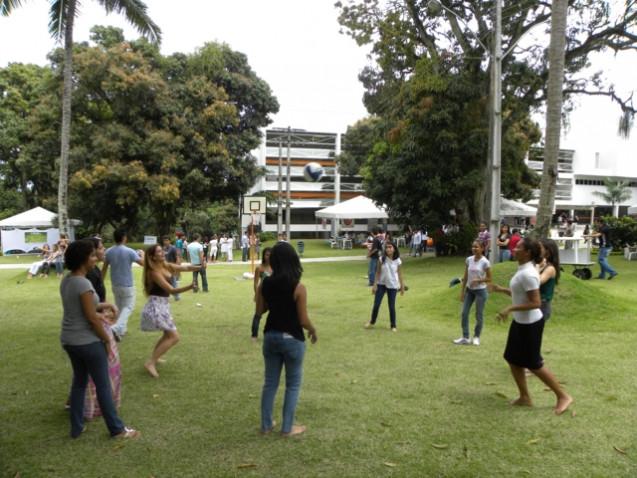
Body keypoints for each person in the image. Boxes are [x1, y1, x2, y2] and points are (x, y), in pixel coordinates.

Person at [60, 239, 139, 439]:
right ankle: (117, 429)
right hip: (87, 341)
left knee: (79, 382)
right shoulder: (83, 283)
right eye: (93, 256)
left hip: (69, 340)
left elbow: (82, 309)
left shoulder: (67, 280)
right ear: (83, 259)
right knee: (103, 385)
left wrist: (104, 308)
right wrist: (106, 339)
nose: (96, 259)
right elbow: (92, 319)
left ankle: (76, 428)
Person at [489, 237, 573, 415]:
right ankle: (525, 397)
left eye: (518, 247)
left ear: (527, 253)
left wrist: (510, 308)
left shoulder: (528, 273)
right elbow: (521, 294)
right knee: (512, 358)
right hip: (520, 322)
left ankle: (563, 396)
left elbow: (535, 302)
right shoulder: (525, 269)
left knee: (534, 364)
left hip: (531, 324)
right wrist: (500, 289)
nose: (514, 248)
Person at [256, 242, 317, 436]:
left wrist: (268, 300)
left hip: (270, 336)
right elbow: (303, 319)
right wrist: (313, 330)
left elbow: (259, 311)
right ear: (293, 261)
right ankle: (287, 428)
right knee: (292, 384)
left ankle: (266, 426)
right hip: (292, 339)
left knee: (270, 383)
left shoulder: (264, 283)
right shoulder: (298, 287)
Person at [140, 244, 201, 378]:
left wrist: (199, 267)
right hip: (156, 306)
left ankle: (155, 358)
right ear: (152, 257)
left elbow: (184, 267)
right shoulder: (154, 272)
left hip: (163, 305)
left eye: (162, 250)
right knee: (174, 337)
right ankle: (151, 362)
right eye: (159, 252)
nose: (163, 253)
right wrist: (190, 286)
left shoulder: (165, 265)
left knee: (167, 335)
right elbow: (171, 290)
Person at [82, 237, 121, 420]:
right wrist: (103, 318)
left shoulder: (94, 269)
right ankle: (99, 408)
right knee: (100, 367)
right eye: (101, 247)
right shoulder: (86, 276)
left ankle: (83, 402)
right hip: (95, 323)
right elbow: (88, 308)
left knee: (90, 369)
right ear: (92, 252)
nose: (104, 249)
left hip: (99, 317)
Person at [102, 229, 144, 340]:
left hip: (115, 284)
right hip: (127, 284)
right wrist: (143, 255)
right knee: (128, 307)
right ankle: (116, 328)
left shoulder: (109, 251)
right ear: (124, 237)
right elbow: (143, 263)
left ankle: (121, 331)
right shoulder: (129, 251)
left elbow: (104, 268)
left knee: (119, 307)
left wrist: (100, 281)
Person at [453, 240, 491, 346]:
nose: (474, 249)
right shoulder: (468, 260)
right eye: (473, 247)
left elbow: (489, 278)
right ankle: (465, 337)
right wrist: (462, 292)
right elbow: (465, 277)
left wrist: (478, 281)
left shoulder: (485, 262)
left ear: (482, 249)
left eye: (477, 247)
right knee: (464, 313)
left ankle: (476, 337)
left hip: (481, 291)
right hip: (469, 291)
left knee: (479, 315)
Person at [365, 241, 405, 332]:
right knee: (376, 305)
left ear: (394, 249)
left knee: (391, 306)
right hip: (381, 284)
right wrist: (374, 285)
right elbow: (378, 272)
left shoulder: (397, 260)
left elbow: (400, 274)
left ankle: (393, 325)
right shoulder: (381, 259)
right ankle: (372, 321)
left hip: (393, 285)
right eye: (386, 247)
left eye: (390, 247)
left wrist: (402, 287)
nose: (388, 249)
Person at [251, 247, 273, 341]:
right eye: (267, 254)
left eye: (270, 255)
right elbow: (255, 283)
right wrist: (256, 294)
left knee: (275, 314)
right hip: (262, 294)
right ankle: (254, 335)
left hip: (273, 295)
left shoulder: (276, 267)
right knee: (258, 314)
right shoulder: (259, 268)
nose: (268, 256)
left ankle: (271, 334)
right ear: (263, 255)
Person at [538, 238, 560, 323]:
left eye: (540, 248)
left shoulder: (550, 268)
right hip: (534, 303)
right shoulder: (541, 265)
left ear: (547, 252)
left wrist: (537, 267)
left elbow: (537, 281)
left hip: (542, 305)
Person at [162, 236, 182, 301]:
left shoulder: (173, 248)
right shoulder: (164, 248)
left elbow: (177, 258)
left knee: (173, 283)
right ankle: (165, 296)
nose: (166, 242)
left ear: (169, 241)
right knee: (165, 283)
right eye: (164, 241)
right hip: (165, 269)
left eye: (167, 240)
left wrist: (177, 268)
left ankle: (177, 297)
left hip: (172, 269)